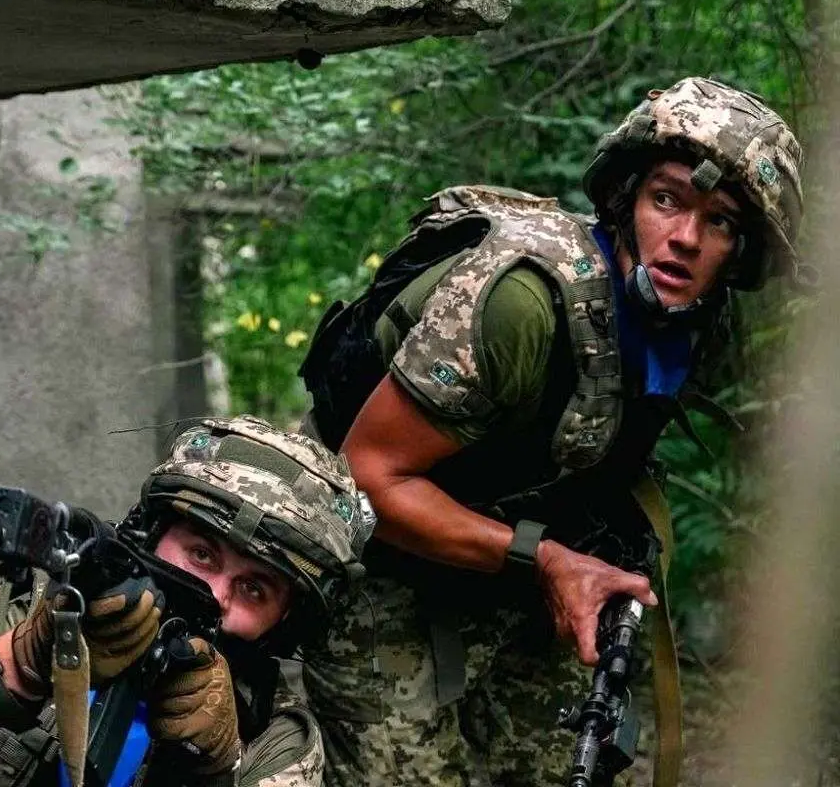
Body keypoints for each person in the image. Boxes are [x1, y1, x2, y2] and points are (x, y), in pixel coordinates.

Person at [296, 76, 813, 785]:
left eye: (720, 221)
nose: (687, 239)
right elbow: (365, 478)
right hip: (381, 564)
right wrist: (545, 560)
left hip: (522, 567)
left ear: (740, 253)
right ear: (625, 201)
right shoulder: (522, 304)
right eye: (666, 200)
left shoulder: (690, 322)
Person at [0, 415, 375, 787]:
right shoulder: (24, 612)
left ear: (284, 620)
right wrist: (22, 668)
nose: (216, 595)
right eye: (201, 554)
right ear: (152, 534)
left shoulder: (278, 743)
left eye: (254, 589)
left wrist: (218, 769)